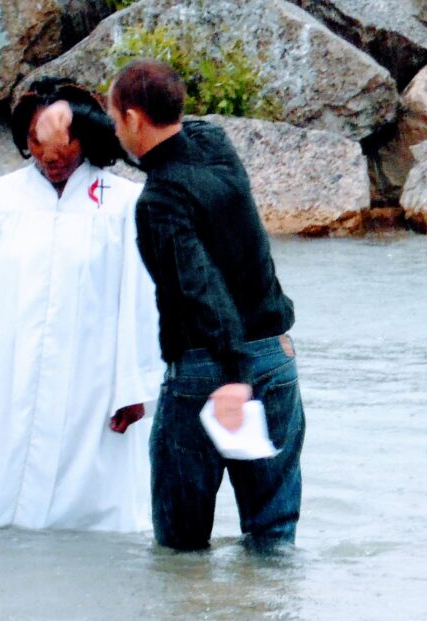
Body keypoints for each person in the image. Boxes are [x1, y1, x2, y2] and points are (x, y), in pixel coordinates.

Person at [0, 80, 162, 533]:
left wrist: (135, 385)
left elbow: (142, 299)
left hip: (94, 384)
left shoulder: (122, 203)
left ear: (89, 136)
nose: (50, 156)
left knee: (99, 518)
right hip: (9, 382)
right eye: (36, 143)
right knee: (6, 516)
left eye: (63, 142)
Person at [105, 59, 306, 552]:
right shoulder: (216, 145)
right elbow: (176, 134)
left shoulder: (159, 202)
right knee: (274, 536)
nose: (113, 129)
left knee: (180, 547)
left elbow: (202, 290)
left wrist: (234, 377)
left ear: (132, 119)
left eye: (114, 120)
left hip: (208, 370)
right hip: (277, 360)